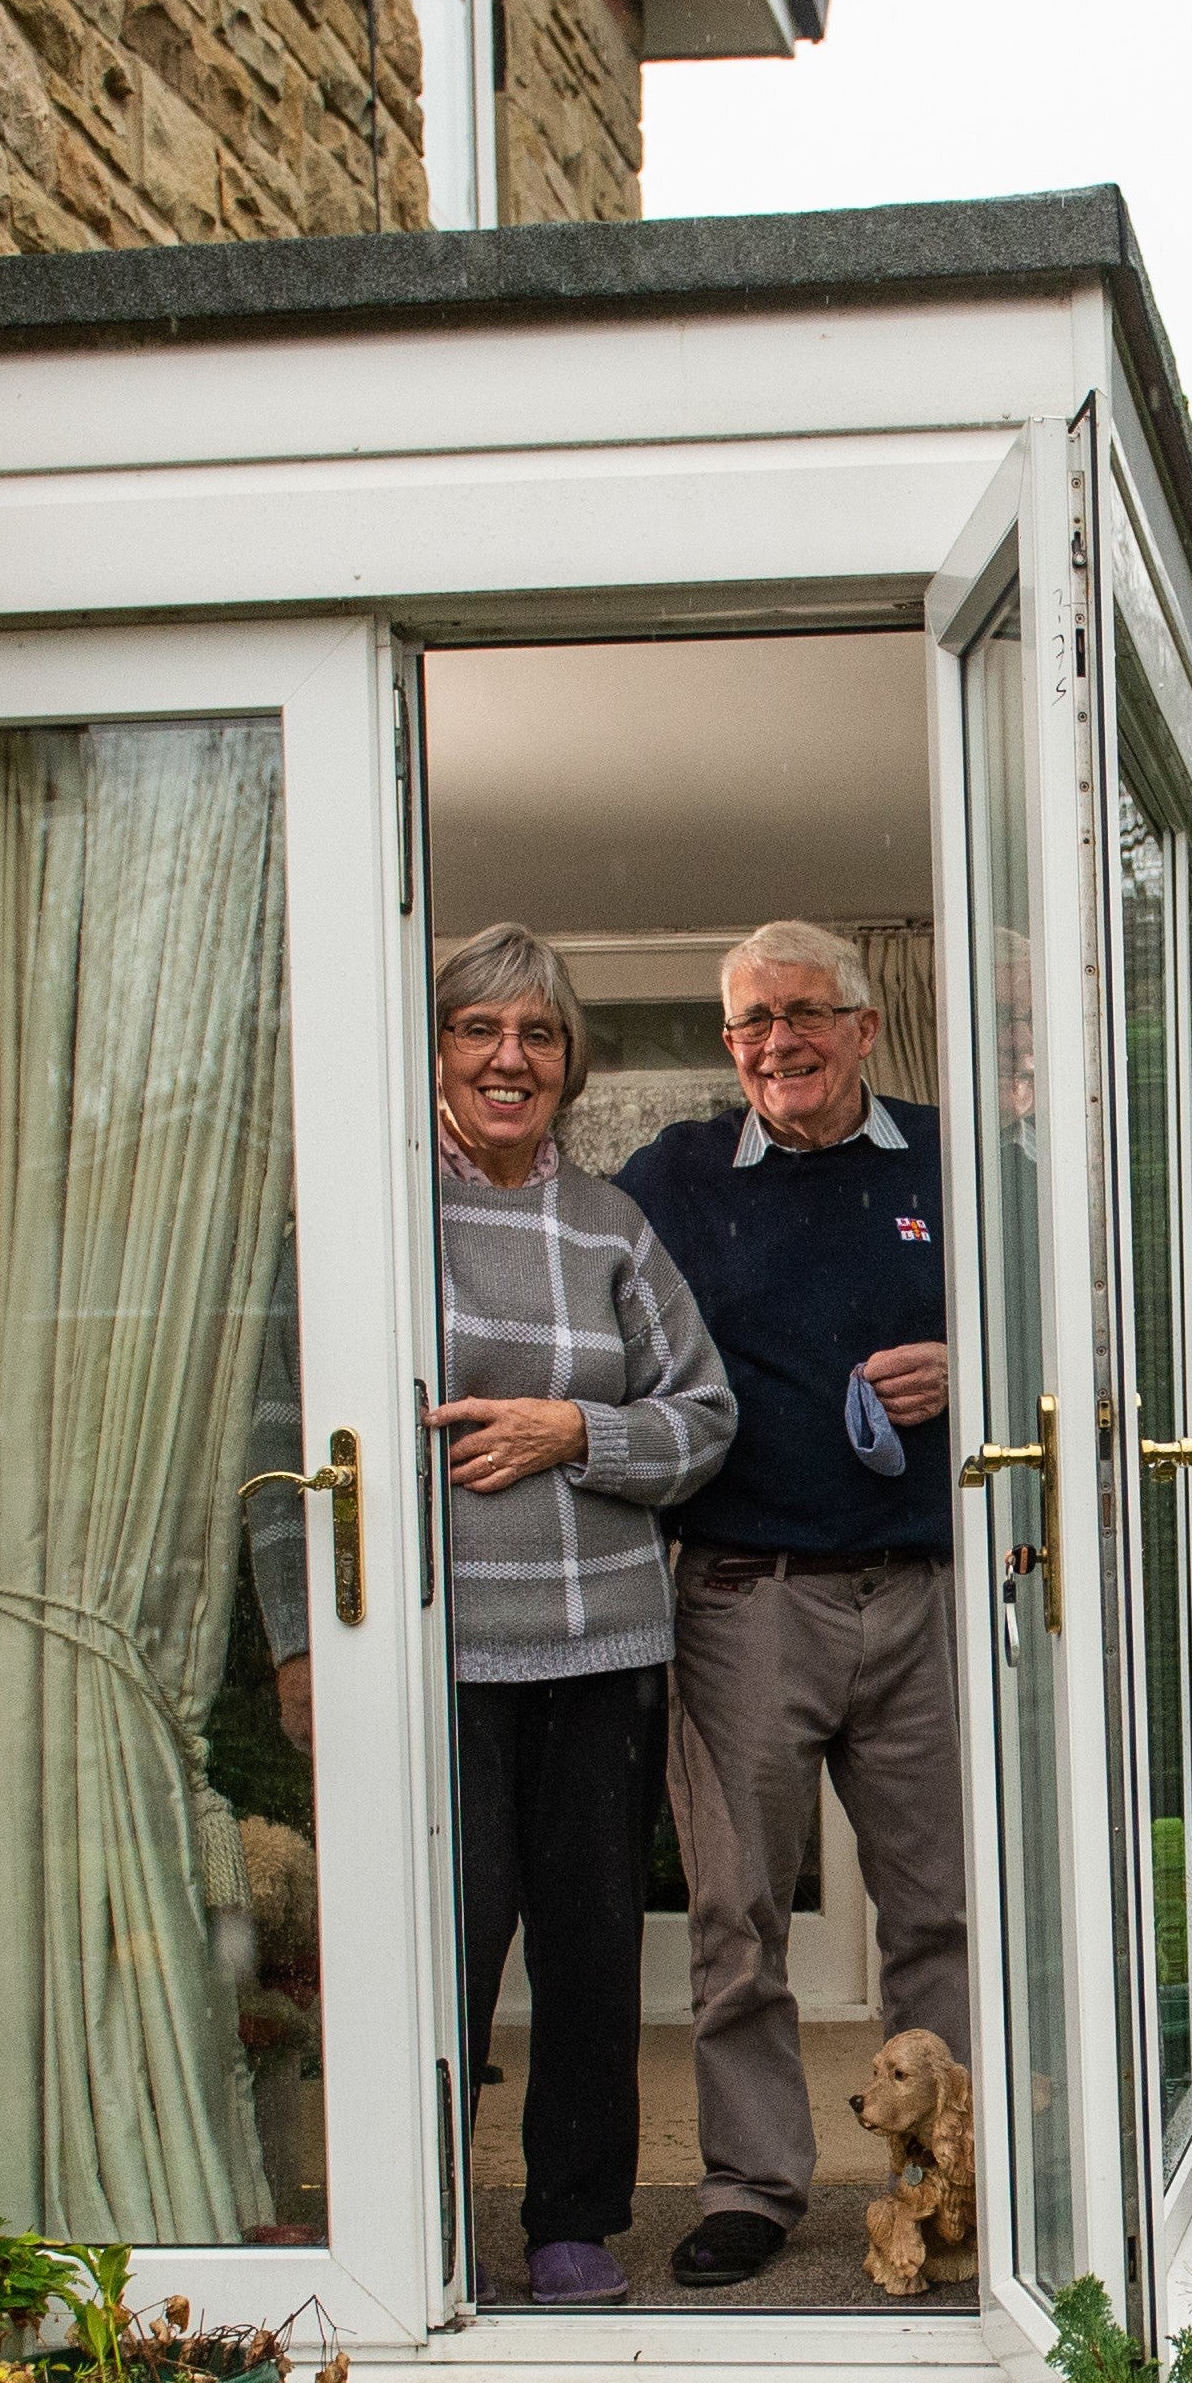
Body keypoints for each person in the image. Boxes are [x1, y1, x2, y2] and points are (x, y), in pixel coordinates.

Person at [251, 921, 732, 2305]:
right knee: (435, 1946)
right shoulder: (366, 1222)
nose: (508, 1059)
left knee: (588, 1949)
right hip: (429, 1650)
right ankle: (411, 2215)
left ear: (569, 1067)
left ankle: (570, 2221)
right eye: (478, 1031)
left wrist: (572, 1429)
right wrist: (299, 1634)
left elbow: (702, 1418)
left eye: (536, 1036)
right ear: (434, 1054)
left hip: (603, 1647)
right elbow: (291, 1443)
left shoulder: (609, 1226)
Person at [611, 920, 964, 2291]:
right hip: (745, 1593)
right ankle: (755, 2183)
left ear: (865, 1027)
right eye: (751, 1022)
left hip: (922, 1589)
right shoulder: (673, 1181)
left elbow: (1079, 1330)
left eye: (805, 1014)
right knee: (738, 1916)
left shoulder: (958, 1167)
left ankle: (939, 2182)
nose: (778, 1044)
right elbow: (611, 1344)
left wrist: (973, 1366)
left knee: (938, 1906)